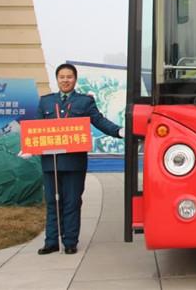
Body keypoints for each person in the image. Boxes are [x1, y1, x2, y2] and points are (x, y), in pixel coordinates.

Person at [25, 63, 124, 255]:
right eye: (62, 77)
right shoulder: (45, 102)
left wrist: (118, 131)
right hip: (50, 162)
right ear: (57, 79)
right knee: (52, 202)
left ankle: (70, 242)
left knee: (72, 202)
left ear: (75, 79)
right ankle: (51, 242)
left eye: (69, 77)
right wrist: (28, 147)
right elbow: (35, 128)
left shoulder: (84, 102)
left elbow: (100, 121)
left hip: (74, 162)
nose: (65, 80)